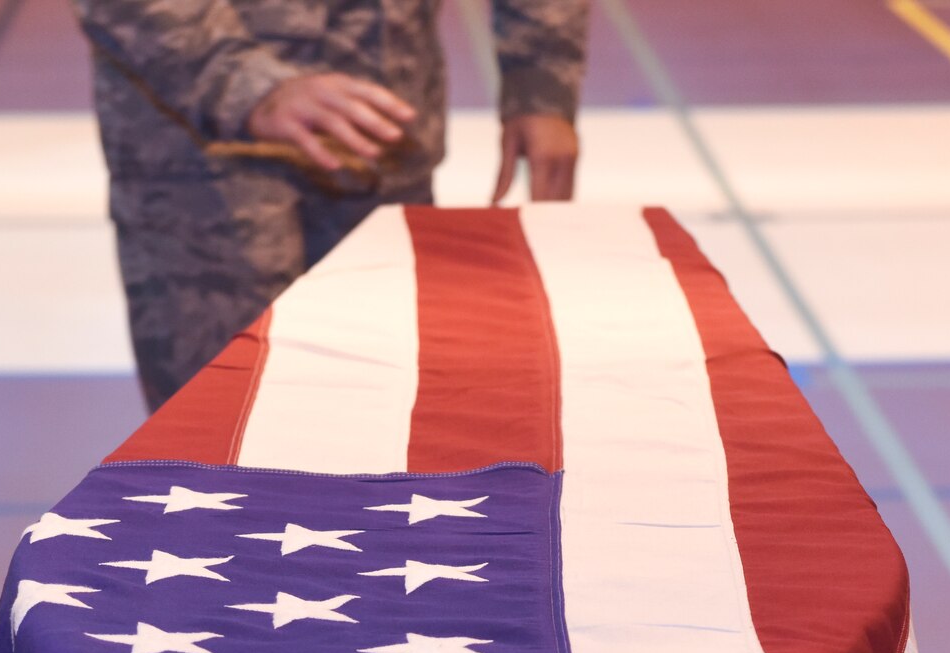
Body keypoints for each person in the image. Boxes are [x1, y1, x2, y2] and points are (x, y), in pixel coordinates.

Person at [73, 0, 590, 409]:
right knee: (224, 440)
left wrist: (541, 82)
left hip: (382, 143)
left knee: (385, 422)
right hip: (202, 162)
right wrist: (249, 86)